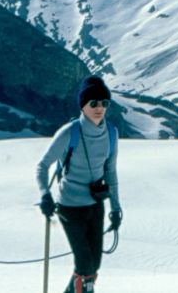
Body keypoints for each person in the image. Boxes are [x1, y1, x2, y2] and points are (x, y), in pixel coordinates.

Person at [36, 76, 123, 293]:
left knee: (94, 266)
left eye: (104, 103)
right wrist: (45, 194)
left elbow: (110, 172)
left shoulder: (111, 133)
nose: (99, 108)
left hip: (95, 206)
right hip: (70, 208)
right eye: (93, 103)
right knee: (85, 265)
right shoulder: (70, 132)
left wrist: (115, 207)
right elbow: (42, 165)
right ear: (83, 105)